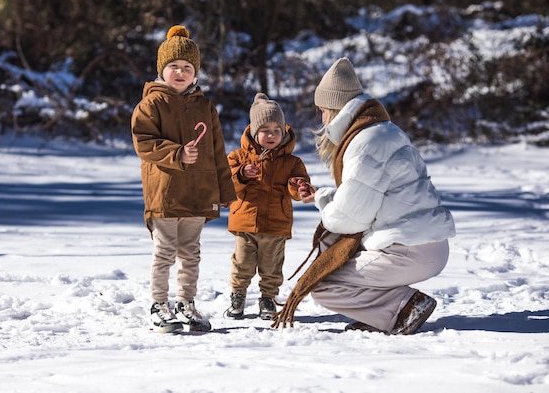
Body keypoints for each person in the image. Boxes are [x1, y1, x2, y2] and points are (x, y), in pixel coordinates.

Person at [273, 57, 455, 334]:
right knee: (337, 269)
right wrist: (321, 196)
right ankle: (391, 309)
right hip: (423, 243)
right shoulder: (384, 131)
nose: (321, 118)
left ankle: (403, 308)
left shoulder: (365, 143)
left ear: (335, 109)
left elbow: (349, 219)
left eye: (322, 110)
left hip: (407, 251)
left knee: (323, 285)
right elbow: (371, 197)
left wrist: (327, 210)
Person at [131, 25, 236, 333]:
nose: (180, 72)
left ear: (196, 72)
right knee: (165, 251)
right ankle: (159, 305)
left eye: (187, 67)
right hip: (165, 193)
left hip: (199, 192)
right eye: (173, 66)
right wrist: (177, 154)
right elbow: (144, 141)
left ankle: (185, 303)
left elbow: (218, 151)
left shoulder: (205, 107)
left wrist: (224, 189)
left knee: (191, 253)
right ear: (162, 70)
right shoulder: (151, 104)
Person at [224, 93, 310, 320]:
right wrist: (241, 174)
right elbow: (225, 185)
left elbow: (296, 188)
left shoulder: (292, 162)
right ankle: (237, 297)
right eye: (265, 130)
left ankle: (268, 300)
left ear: (283, 132)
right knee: (242, 264)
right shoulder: (238, 157)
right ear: (254, 131)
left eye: (276, 130)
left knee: (272, 268)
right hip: (245, 222)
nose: (271, 135)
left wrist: (298, 187)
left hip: (275, 223)